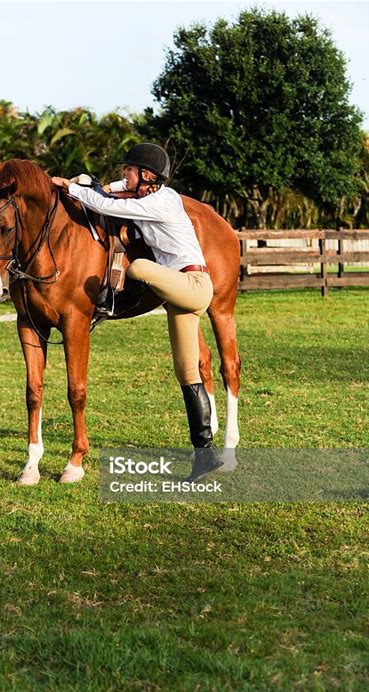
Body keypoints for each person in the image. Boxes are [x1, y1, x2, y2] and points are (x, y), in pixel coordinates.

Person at [51, 143, 223, 480]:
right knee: (187, 375)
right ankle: (206, 455)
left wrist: (71, 188)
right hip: (180, 296)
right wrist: (89, 181)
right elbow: (112, 190)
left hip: (192, 285)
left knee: (139, 267)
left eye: (129, 169)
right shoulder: (157, 194)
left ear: (147, 176)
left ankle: (110, 305)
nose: (123, 175)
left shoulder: (156, 202)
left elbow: (104, 204)